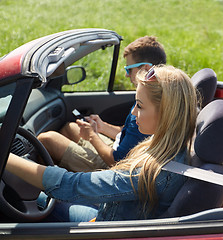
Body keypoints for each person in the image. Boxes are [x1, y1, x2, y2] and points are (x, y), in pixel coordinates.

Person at [6, 65, 198, 221]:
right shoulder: (173, 148)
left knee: (30, 197)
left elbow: (69, 185)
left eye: (139, 106)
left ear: (166, 114)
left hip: (103, 226)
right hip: (111, 209)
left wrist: (6, 159)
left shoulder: (150, 173)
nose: (133, 113)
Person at [38, 36, 166, 172]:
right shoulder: (148, 98)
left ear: (146, 68)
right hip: (119, 149)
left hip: (115, 167)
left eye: (129, 69)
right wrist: (102, 127)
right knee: (70, 127)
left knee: (46, 139)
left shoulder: (148, 104)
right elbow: (128, 132)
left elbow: (116, 160)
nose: (126, 75)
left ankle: (45, 185)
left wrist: (93, 136)